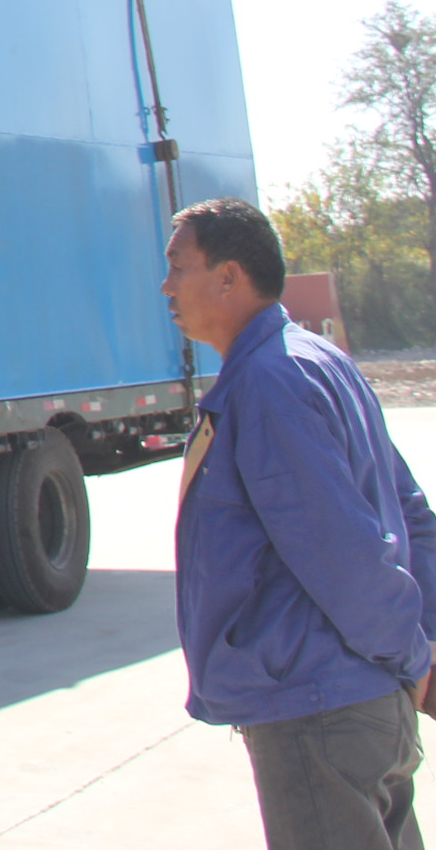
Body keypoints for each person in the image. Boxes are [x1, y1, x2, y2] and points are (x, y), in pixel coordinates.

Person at [167, 195, 436, 849]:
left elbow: (344, 554)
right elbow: (408, 510)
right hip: (362, 704)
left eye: (178, 266)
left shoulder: (269, 384)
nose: (166, 286)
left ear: (229, 277)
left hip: (320, 714)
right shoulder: (316, 360)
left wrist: (415, 658)